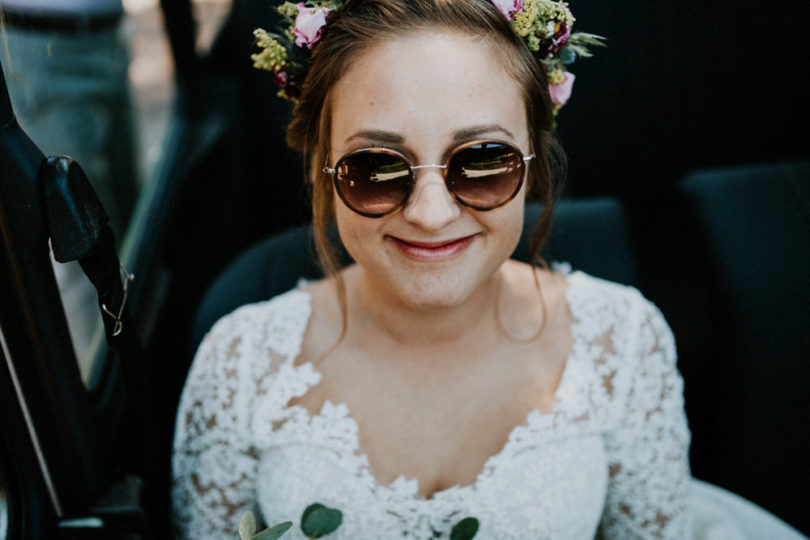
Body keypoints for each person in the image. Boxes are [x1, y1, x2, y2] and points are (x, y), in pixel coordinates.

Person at [171, 0, 691, 538]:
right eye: (374, 167)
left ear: (533, 157)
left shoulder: (624, 342)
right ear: (324, 169)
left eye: (483, 160)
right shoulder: (241, 361)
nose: (430, 214)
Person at [0, 0, 138, 368]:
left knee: (130, 219)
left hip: (108, 31)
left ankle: (139, 361)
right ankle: (113, 382)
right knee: (81, 249)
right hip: (42, 43)